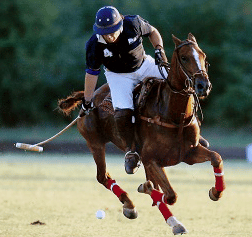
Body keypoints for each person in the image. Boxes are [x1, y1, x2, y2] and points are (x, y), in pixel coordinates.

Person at [83, 6, 168, 174]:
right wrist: (87, 99)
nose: (109, 36)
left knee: (174, 84)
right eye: (105, 32)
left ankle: (189, 128)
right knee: (123, 111)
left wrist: (159, 50)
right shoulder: (93, 45)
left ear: (120, 24)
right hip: (118, 75)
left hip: (144, 65)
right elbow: (92, 73)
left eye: (113, 31)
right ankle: (131, 151)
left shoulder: (133, 23)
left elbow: (153, 31)